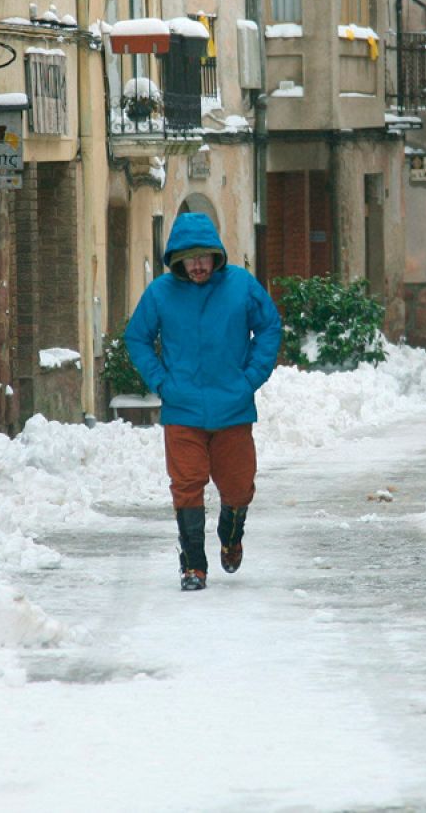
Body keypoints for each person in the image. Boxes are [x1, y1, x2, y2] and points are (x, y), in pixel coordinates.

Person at [124, 212, 282, 591]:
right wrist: (162, 382)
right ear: (177, 259)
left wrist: (249, 380)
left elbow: (269, 327)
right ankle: (193, 565)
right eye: (189, 258)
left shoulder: (241, 286)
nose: (197, 265)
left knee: (239, 486)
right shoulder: (160, 293)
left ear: (216, 256)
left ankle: (231, 535)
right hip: (183, 409)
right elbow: (137, 338)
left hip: (233, 407)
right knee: (187, 484)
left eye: (203, 257)